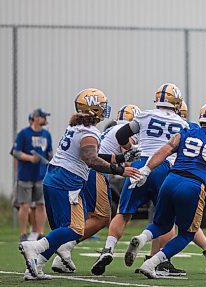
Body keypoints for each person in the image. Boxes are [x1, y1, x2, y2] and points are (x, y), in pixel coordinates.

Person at [18, 88, 141, 281]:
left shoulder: (76, 127)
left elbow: (92, 154)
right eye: (101, 106)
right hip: (66, 181)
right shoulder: (89, 132)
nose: (104, 109)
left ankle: (35, 266)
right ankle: (34, 246)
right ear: (93, 109)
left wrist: (120, 157)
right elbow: (92, 160)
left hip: (54, 178)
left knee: (63, 230)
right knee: (75, 229)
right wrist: (119, 169)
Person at [124, 102, 206, 279]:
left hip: (170, 180)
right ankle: (152, 263)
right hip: (193, 186)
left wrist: (146, 170)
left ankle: (141, 238)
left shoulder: (187, 131)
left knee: (161, 224)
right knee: (187, 233)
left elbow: (164, 150)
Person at [91, 83, 189, 276]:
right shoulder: (182, 124)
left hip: (139, 166)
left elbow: (120, 135)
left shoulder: (145, 115)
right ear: (176, 101)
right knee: (167, 219)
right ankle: (161, 262)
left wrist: (131, 150)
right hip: (163, 169)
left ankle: (108, 249)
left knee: (123, 213)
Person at [51, 104, 142, 273]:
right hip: (96, 172)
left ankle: (61, 256)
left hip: (84, 171)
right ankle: (64, 246)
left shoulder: (111, 129)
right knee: (102, 217)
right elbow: (127, 159)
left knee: (87, 216)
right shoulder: (125, 131)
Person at [12, 108, 53, 242]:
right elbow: (16, 152)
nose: (45, 120)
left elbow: (49, 153)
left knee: (41, 205)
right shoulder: (24, 133)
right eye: (43, 117)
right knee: (25, 205)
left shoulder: (46, 134)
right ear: (36, 118)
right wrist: (30, 158)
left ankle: (40, 233)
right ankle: (23, 234)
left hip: (41, 175)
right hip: (25, 176)